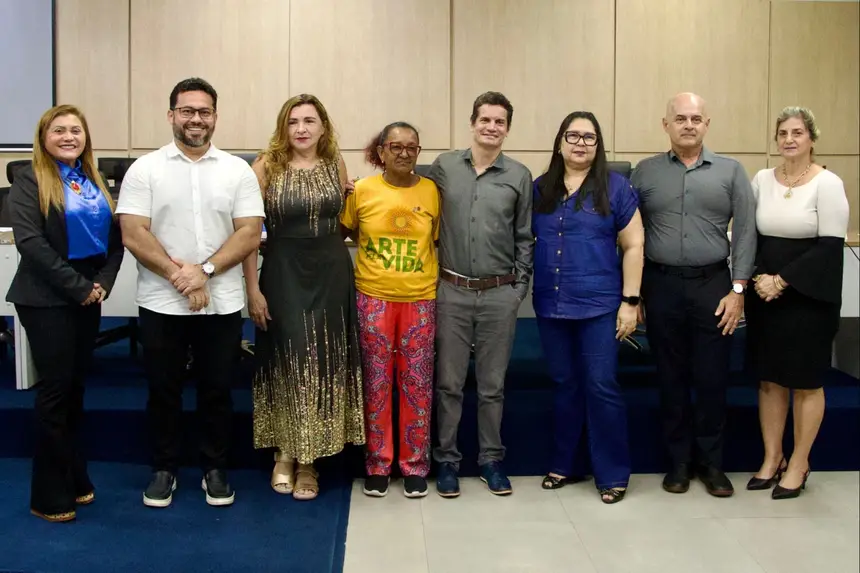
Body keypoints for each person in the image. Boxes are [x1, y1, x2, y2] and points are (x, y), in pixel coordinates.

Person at [118, 77, 265, 508]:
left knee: (217, 388)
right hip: (162, 300)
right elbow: (132, 232)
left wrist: (203, 271)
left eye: (204, 111)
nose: (195, 119)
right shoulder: (145, 169)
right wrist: (179, 276)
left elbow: (249, 233)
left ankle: (214, 469)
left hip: (220, 301)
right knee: (162, 388)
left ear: (215, 117)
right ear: (171, 116)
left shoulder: (237, 171)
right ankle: (164, 468)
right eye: (187, 110)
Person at [631, 92, 756, 497]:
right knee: (670, 378)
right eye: (680, 118)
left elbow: (748, 234)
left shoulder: (731, 171)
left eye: (696, 118)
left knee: (712, 378)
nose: (689, 124)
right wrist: (635, 294)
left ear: (707, 124)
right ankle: (679, 464)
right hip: (661, 285)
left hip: (714, 287)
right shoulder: (644, 173)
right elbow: (630, 236)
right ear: (665, 124)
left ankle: (712, 464)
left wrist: (738, 290)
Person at [6, 105, 124, 522]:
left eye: (76, 130)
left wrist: (104, 284)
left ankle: (76, 478)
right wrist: (79, 289)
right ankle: (48, 495)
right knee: (55, 393)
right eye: (59, 130)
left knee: (75, 391)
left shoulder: (93, 182)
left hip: (88, 296)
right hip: (45, 298)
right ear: (44, 137)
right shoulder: (28, 180)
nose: (69, 136)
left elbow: (116, 240)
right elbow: (31, 244)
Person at [244, 94, 364, 501]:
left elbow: (342, 222)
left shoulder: (336, 164)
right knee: (288, 356)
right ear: (283, 126)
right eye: (293, 121)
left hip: (331, 272)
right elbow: (246, 233)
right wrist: (252, 288)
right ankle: (284, 452)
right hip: (282, 272)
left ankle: (310, 460)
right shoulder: (265, 166)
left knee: (322, 359)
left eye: (310, 121)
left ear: (323, 127)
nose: (301, 128)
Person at [533, 112, 644, 504]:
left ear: (598, 147)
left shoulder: (615, 188)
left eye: (589, 138)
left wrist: (630, 302)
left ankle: (612, 473)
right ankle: (565, 463)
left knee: (601, 386)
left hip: (599, 305)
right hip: (551, 303)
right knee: (565, 386)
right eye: (573, 135)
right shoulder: (540, 188)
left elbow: (633, 245)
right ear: (560, 141)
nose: (580, 143)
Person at [430, 91, 534, 497]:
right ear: (472, 123)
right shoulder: (444, 167)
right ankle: (448, 462)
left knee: (493, 386)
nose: (492, 127)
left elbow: (525, 237)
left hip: (499, 295)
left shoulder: (518, 175)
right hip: (451, 291)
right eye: (485, 120)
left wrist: (517, 290)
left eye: (500, 122)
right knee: (448, 384)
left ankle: (491, 459)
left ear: (508, 128)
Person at [744, 107, 849, 499]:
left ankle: (800, 463)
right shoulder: (761, 179)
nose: (789, 139)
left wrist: (782, 281)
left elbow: (829, 248)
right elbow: (749, 235)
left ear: (811, 138)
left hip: (808, 298)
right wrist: (758, 278)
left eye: (798, 132)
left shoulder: (828, 183)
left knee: (805, 382)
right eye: (783, 133)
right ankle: (772, 459)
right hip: (764, 293)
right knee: (770, 379)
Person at [341, 122, 441, 499]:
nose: (403, 153)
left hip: (419, 301)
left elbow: (436, 240)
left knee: (416, 385)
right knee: (377, 384)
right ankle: (378, 464)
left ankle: (415, 465)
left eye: (411, 147)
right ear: (380, 151)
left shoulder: (432, 192)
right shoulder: (362, 191)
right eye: (394, 146)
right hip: (373, 299)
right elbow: (344, 232)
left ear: (418, 152)